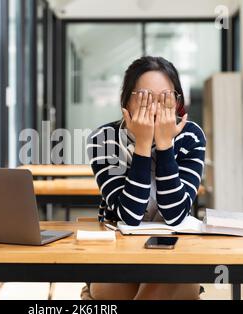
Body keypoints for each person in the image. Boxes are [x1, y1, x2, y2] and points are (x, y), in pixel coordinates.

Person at [83, 56, 206, 300]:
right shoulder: (104, 139)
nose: (155, 107)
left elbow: (175, 215)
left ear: (177, 102)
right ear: (126, 101)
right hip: (116, 256)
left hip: (175, 255)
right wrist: (141, 144)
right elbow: (129, 216)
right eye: (144, 97)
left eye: (165, 98)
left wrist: (164, 144)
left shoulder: (191, 136)